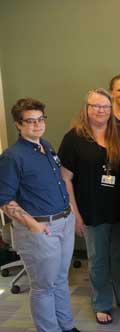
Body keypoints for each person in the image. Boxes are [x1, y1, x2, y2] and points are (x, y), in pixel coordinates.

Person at [59, 89, 120, 325]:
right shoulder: (73, 138)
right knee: (98, 260)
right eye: (95, 106)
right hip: (90, 210)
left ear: (111, 108)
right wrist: (75, 214)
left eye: (105, 106)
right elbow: (65, 179)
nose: (100, 110)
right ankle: (102, 303)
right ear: (86, 108)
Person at [0, 98, 80, 332]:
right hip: (39, 229)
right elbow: (4, 200)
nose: (37, 125)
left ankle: (67, 326)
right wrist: (32, 225)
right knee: (44, 286)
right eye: (30, 121)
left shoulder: (46, 146)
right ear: (18, 124)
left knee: (60, 281)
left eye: (40, 119)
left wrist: (71, 212)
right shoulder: (12, 157)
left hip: (64, 222)